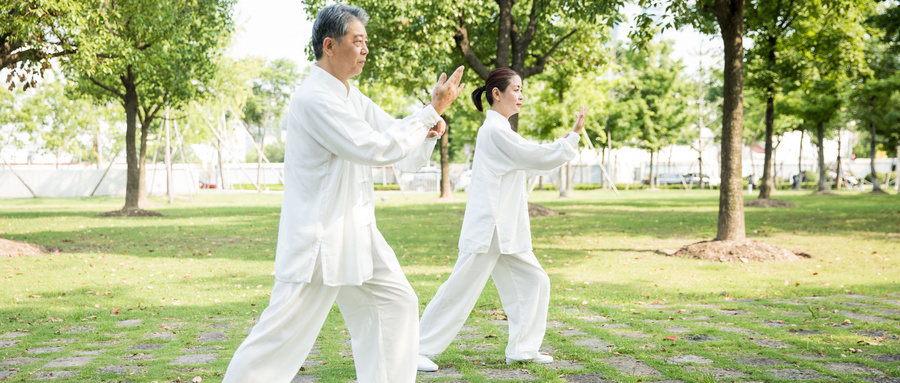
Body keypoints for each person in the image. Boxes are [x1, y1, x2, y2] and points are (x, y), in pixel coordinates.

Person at [222, 4, 465, 383]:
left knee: (396, 303)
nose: (366, 49)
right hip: (318, 241)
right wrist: (429, 112)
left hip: (356, 230)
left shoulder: (351, 97)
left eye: (366, 41)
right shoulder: (313, 98)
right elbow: (373, 148)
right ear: (330, 46)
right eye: (358, 41)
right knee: (279, 338)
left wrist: (427, 125)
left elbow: (395, 143)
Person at [417, 68, 587, 372]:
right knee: (459, 289)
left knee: (535, 281)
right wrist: (569, 140)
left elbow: (527, 160)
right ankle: (416, 347)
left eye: (522, 90)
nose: (521, 96)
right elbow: (534, 156)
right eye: (516, 90)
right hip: (490, 228)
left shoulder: (501, 131)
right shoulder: (495, 131)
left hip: (503, 230)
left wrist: (560, 145)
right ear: (497, 94)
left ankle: (523, 348)